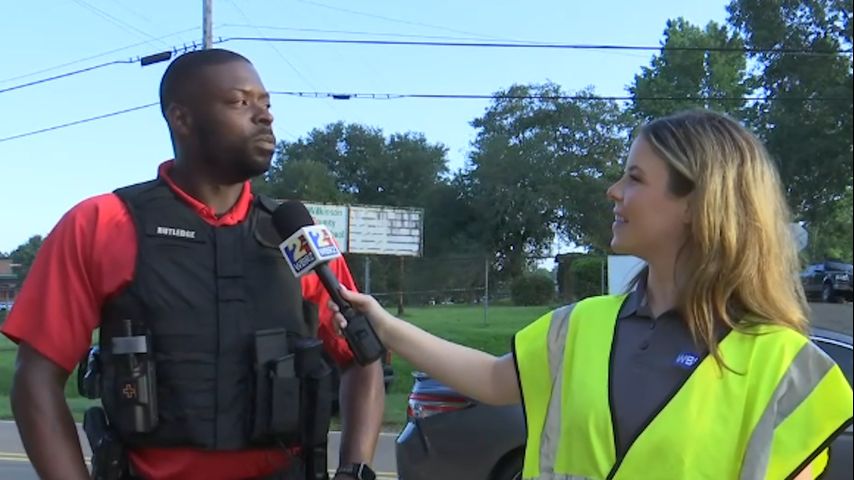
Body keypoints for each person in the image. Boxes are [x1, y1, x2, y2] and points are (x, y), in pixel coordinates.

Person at [329, 110, 854, 479]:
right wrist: (384, 324)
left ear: (697, 204)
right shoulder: (581, 324)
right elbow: (490, 379)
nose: (614, 191)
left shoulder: (786, 370)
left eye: (635, 178)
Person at [2, 49, 385, 480]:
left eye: (266, 102)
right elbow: (35, 378)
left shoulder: (295, 235)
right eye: (240, 101)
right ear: (181, 119)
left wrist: (355, 468)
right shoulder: (101, 224)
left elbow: (363, 356)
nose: (265, 116)